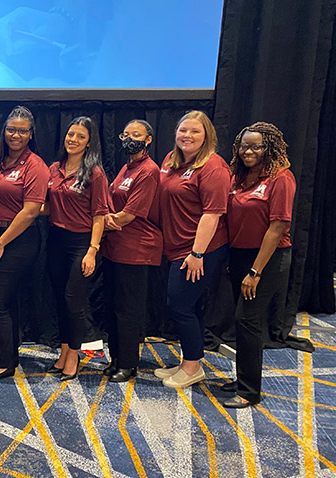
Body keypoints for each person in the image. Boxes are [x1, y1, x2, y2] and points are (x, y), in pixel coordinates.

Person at [222, 122, 295, 408]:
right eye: (244, 146)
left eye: (256, 146)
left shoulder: (280, 178)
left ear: (269, 148)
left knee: (247, 319)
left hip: (268, 259)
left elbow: (276, 228)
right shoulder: (238, 178)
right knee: (242, 323)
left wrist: (255, 271)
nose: (248, 151)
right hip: (240, 256)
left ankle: (249, 391)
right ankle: (243, 379)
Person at [156, 110, 230, 389]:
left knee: (180, 305)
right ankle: (190, 360)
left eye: (195, 131)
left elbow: (212, 214)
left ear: (207, 135)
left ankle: (192, 368)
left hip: (200, 251)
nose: (187, 135)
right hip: (176, 247)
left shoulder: (213, 167)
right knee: (189, 306)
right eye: (183, 130)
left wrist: (197, 254)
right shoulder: (170, 161)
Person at [0, 105, 48, 381]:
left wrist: (1, 244)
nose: (15, 135)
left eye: (22, 131)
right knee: (7, 300)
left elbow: (31, 211)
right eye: (11, 129)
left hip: (17, 239)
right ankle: (10, 352)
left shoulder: (35, 166)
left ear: (31, 134)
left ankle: (4, 361)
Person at [45, 116, 110, 382]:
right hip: (55, 240)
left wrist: (92, 250)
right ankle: (63, 352)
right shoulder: (54, 168)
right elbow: (48, 205)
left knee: (74, 300)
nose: (73, 140)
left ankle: (74, 354)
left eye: (80, 137)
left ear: (89, 142)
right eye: (70, 134)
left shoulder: (94, 173)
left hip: (81, 244)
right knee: (60, 299)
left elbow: (99, 215)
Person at [101, 119, 162, 383]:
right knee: (115, 306)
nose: (129, 138)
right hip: (115, 247)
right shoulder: (127, 168)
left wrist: (99, 222)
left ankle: (128, 363)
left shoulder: (149, 171)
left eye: (135, 134)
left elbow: (130, 215)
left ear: (148, 139)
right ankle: (116, 358)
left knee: (129, 309)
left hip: (136, 249)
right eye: (125, 134)